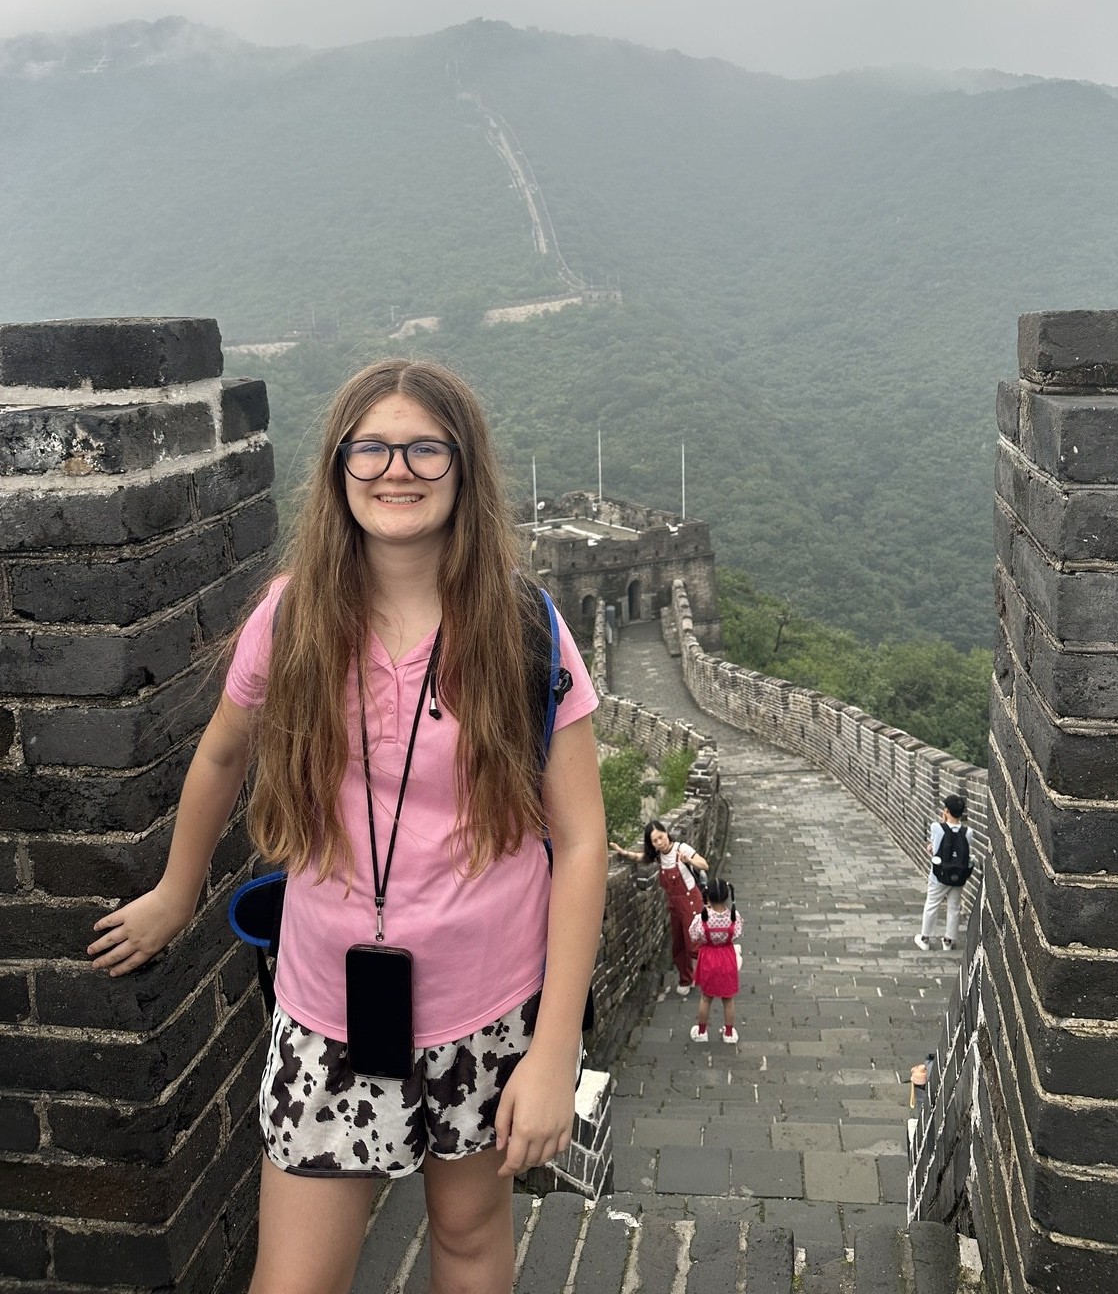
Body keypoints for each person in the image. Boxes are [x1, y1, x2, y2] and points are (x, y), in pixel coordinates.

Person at [86, 359, 606, 1294]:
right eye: (371, 448)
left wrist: (554, 1047)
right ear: (338, 468)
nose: (395, 469)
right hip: (328, 1002)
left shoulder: (523, 628)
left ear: (463, 467)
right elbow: (222, 754)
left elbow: (579, 840)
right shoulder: (294, 619)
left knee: (468, 1238)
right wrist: (174, 891)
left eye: (424, 449)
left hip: (488, 1003)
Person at [608, 820, 708, 995]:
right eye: (655, 841)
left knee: (695, 945)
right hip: (674, 905)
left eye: (661, 837)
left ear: (666, 833)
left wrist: (690, 860)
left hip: (690, 901)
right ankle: (686, 979)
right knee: (679, 945)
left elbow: (704, 865)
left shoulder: (681, 849)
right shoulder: (659, 856)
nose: (660, 842)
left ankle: (716, 969)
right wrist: (623, 852)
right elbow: (640, 857)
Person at [914, 794, 972, 952]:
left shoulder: (936, 827)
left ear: (946, 811)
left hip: (938, 876)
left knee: (932, 904)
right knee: (954, 907)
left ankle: (925, 939)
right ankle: (948, 941)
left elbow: (934, 848)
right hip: (958, 876)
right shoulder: (968, 832)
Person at [687, 878, 741, 1044]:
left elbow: (693, 935)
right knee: (728, 998)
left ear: (707, 896)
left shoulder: (702, 919)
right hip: (727, 957)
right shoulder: (734, 917)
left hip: (708, 959)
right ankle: (729, 1033)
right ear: (727, 896)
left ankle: (702, 1032)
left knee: (706, 997)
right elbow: (737, 934)